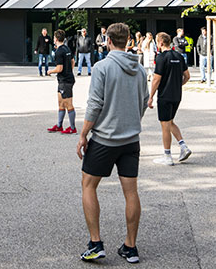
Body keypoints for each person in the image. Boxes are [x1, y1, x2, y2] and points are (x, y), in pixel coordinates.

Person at [76, 22, 148, 264]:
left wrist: (83, 134)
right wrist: (131, 122)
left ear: (107, 40)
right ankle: (131, 246)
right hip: (131, 140)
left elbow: (95, 104)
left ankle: (95, 243)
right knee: (131, 192)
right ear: (128, 40)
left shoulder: (102, 67)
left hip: (105, 139)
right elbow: (144, 101)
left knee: (88, 185)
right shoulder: (140, 70)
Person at [148, 32, 191, 166]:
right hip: (176, 95)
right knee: (170, 122)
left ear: (160, 43)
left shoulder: (161, 58)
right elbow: (187, 76)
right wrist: (178, 85)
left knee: (165, 125)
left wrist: (150, 97)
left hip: (165, 96)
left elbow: (156, 79)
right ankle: (183, 146)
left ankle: (167, 156)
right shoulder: (178, 56)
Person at [46, 30, 77, 134]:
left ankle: (73, 128)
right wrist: (70, 71)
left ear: (55, 39)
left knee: (68, 104)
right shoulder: (66, 48)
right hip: (64, 80)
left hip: (65, 81)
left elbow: (59, 68)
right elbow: (73, 61)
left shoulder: (59, 51)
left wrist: (50, 71)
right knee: (60, 103)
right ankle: (59, 125)